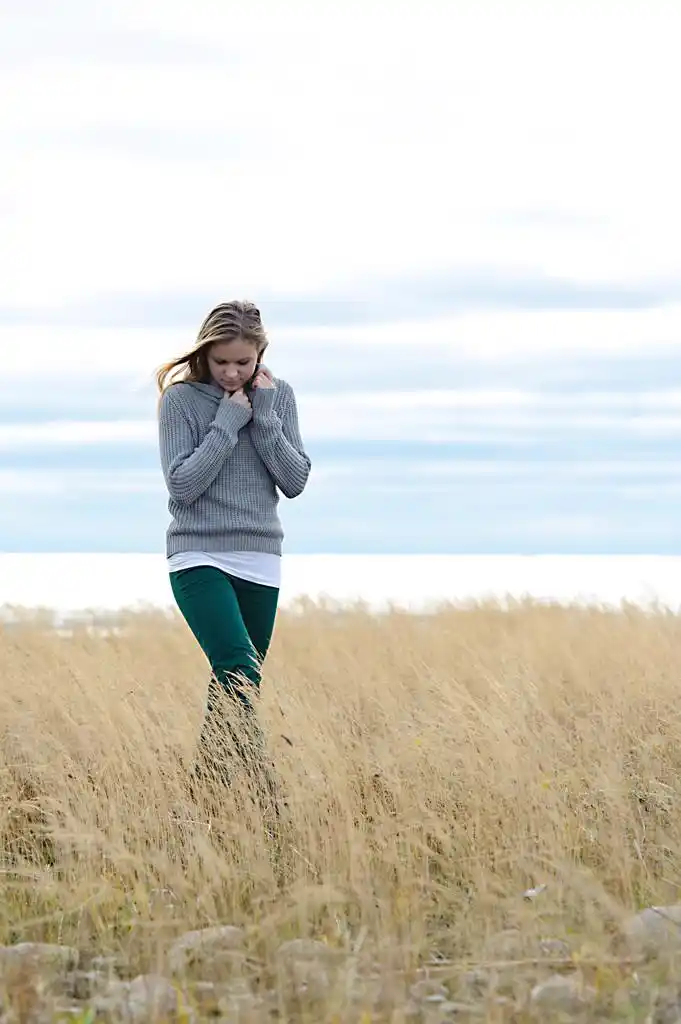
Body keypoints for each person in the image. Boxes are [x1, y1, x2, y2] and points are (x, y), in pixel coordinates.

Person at [155, 300, 311, 801]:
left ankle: (204, 803)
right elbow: (182, 485)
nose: (231, 371)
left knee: (236, 687)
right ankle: (267, 797)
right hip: (197, 554)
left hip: (261, 557)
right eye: (221, 361)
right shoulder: (180, 401)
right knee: (238, 667)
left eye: (242, 362)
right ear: (206, 354)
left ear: (259, 353)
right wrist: (227, 421)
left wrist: (263, 419)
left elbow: (295, 480)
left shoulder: (279, 397)